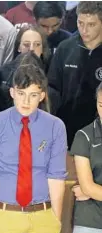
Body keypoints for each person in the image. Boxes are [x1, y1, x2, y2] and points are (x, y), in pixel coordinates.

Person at [0, 62, 67, 233]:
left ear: (42, 96)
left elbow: (56, 177)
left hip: (44, 216)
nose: (26, 101)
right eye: (21, 94)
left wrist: (55, 219)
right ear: (12, 92)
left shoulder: (55, 126)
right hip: (4, 216)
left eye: (33, 95)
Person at [48, 1, 102, 148]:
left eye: (91, 24)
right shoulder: (65, 48)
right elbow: (53, 88)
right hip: (67, 127)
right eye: (80, 23)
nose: (84, 30)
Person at [70, 82, 102, 233]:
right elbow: (87, 187)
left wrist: (95, 191)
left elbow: (90, 189)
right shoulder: (84, 136)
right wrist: (89, 190)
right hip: (90, 222)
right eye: (101, 105)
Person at [0, 25, 51, 111]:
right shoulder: (4, 72)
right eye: (26, 44)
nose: (31, 49)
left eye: (37, 44)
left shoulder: (50, 72)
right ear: (18, 47)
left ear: (42, 49)